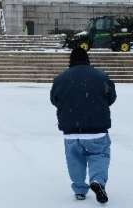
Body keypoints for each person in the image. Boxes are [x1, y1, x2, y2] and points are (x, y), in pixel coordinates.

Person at [50, 47, 117, 204]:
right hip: (96, 128)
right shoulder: (101, 77)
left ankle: (80, 190)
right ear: (87, 59)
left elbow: (54, 100)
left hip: (71, 129)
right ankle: (98, 181)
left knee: (74, 159)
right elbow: (111, 97)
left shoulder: (60, 79)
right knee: (99, 155)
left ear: (70, 61)